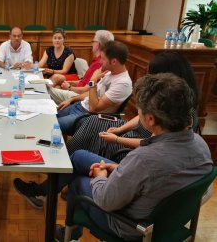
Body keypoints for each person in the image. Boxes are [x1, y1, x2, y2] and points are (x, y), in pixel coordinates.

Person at [55, 73, 212, 241]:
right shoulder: (201, 145)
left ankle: (71, 235)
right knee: (79, 156)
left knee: (78, 182)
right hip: (167, 219)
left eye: (140, 110)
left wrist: (100, 178)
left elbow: (105, 201)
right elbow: (156, 177)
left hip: (130, 226)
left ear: (150, 119)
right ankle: (47, 190)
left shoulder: (143, 159)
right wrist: (117, 168)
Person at [66, 50, 200, 160]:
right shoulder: (163, 94)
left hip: (141, 147)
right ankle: (68, 159)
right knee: (93, 121)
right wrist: (120, 129)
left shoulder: (184, 110)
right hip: (133, 132)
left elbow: (154, 143)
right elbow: (140, 117)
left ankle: (72, 163)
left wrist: (117, 138)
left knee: (97, 137)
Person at [56, 40, 132, 134]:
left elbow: (93, 108)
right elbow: (92, 94)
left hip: (87, 116)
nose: (101, 61)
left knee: (51, 125)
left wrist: (92, 81)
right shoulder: (109, 72)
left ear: (114, 61)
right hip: (79, 106)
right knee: (49, 117)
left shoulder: (122, 84)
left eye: (103, 59)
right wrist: (72, 99)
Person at [48, 30, 114, 104]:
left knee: (47, 89)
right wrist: (72, 83)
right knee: (57, 86)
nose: (92, 44)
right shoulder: (98, 60)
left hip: (80, 96)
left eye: (93, 41)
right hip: (79, 90)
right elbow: (85, 81)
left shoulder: (99, 63)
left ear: (98, 44)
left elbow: (87, 90)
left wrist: (69, 87)